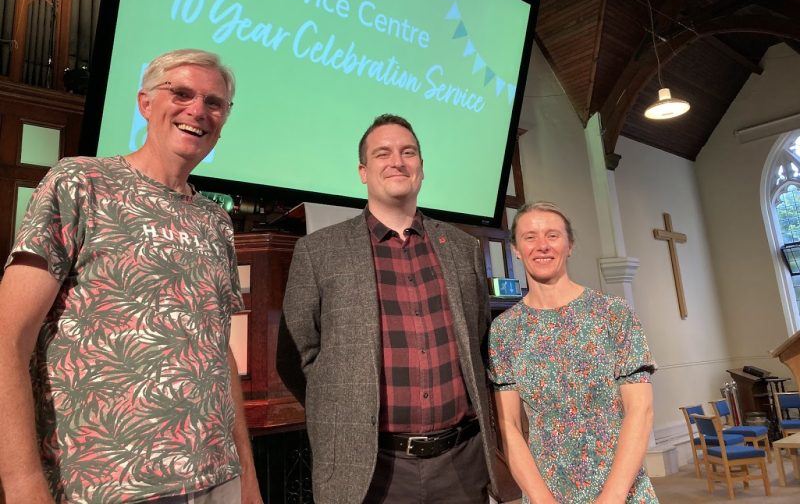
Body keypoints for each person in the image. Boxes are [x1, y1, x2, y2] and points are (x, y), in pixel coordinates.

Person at [0, 49, 262, 504]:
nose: (198, 110)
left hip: (217, 480)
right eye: (181, 94)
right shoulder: (80, 183)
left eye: (214, 102)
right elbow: (8, 338)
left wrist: (248, 480)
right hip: (105, 485)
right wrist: (22, 484)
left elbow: (219, 355)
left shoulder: (215, 220)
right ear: (145, 103)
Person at [277, 114, 496, 503]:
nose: (397, 161)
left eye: (407, 152)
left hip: (462, 464)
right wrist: (344, 406)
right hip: (369, 471)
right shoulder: (318, 252)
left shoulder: (464, 249)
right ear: (363, 172)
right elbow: (295, 357)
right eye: (383, 153)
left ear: (421, 168)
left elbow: (479, 341)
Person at [489, 201, 657, 504]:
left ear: (570, 245)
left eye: (552, 235)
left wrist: (613, 496)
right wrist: (542, 500)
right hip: (548, 493)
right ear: (516, 249)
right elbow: (509, 426)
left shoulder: (613, 313)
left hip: (622, 490)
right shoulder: (504, 331)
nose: (542, 245)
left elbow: (640, 410)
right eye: (530, 237)